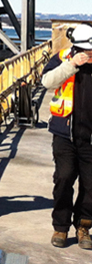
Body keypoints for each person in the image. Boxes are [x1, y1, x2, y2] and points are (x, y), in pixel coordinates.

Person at [41, 23, 92, 250]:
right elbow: (47, 81)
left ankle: (84, 227)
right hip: (65, 133)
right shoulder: (63, 58)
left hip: (90, 138)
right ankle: (60, 227)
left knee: (91, 186)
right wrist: (71, 65)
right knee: (64, 178)